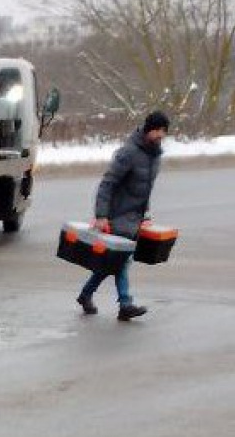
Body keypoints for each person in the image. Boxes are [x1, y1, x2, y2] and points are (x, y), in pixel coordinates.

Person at [76, 111, 169, 321]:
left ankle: (85, 294)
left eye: (164, 131)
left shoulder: (155, 156)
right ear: (148, 129)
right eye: (158, 130)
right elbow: (107, 184)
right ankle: (125, 304)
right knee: (120, 261)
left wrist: (145, 213)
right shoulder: (128, 153)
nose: (161, 134)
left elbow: (146, 189)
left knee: (111, 262)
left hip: (134, 219)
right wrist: (101, 215)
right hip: (116, 216)